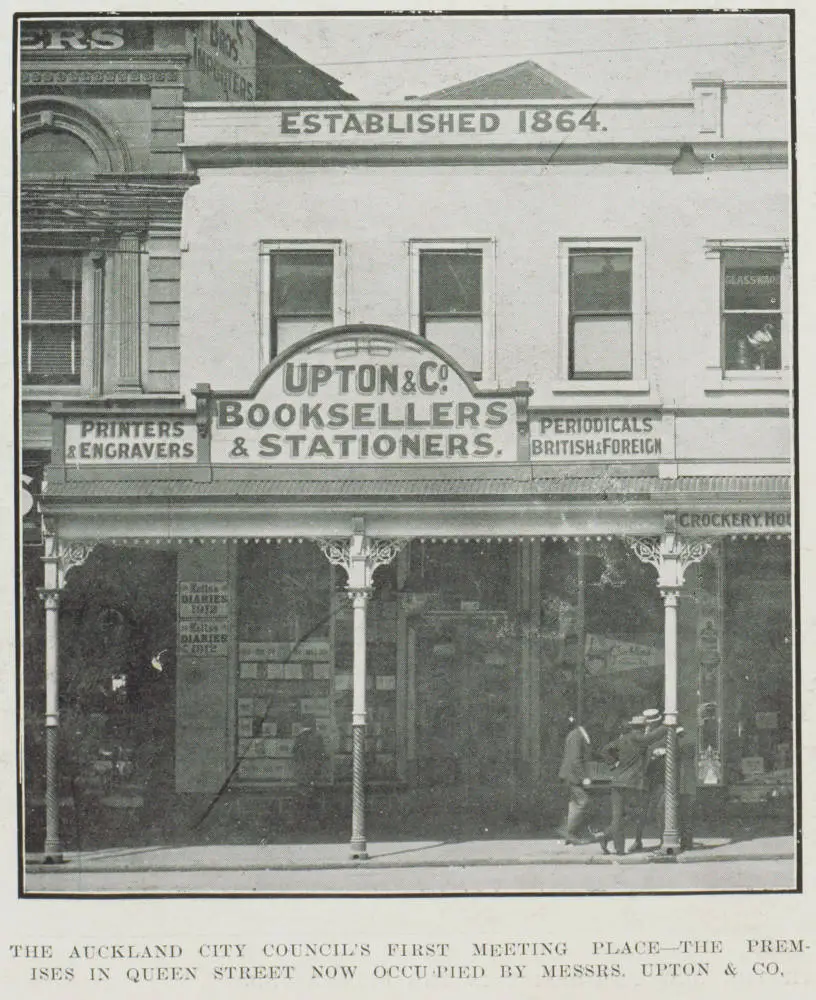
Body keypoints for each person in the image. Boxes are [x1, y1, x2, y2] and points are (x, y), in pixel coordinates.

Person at [597, 714, 666, 856]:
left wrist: (613, 764)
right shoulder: (637, 738)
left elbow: (605, 750)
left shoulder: (623, 738)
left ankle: (614, 844)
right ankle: (610, 840)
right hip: (632, 783)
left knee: (619, 816)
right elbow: (651, 738)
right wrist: (668, 724)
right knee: (635, 813)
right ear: (643, 727)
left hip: (617, 782)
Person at [631, 708, 665, 853]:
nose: (648, 726)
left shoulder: (662, 737)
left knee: (660, 810)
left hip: (659, 778)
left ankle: (664, 840)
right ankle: (637, 840)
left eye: (651, 723)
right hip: (645, 778)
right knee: (641, 811)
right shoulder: (642, 736)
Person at [557, 716, 593, 845]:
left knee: (574, 804)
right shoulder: (577, 736)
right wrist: (584, 778)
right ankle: (568, 831)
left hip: (570, 775)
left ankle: (570, 834)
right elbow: (576, 759)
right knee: (583, 802)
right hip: (574, 776)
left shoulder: (577, 735)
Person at [677, 726, 697, 851]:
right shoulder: (689, 745)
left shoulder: (679, 746)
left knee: (682, 815)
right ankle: (687, 841)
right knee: (687, 816)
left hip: (682, 787)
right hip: (689, 786)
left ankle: (685, 841)